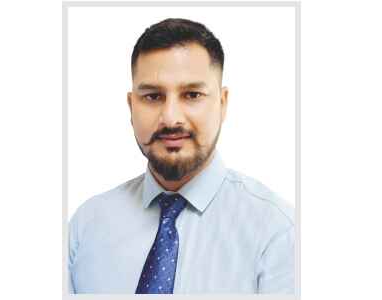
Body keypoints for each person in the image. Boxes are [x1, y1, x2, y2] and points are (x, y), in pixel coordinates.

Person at [68, 18, 295, 294]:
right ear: (131, 106)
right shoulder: (85, 227)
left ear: (222, 104)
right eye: (152, 96)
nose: (171, 118)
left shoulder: (278, 233)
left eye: (192, 94)